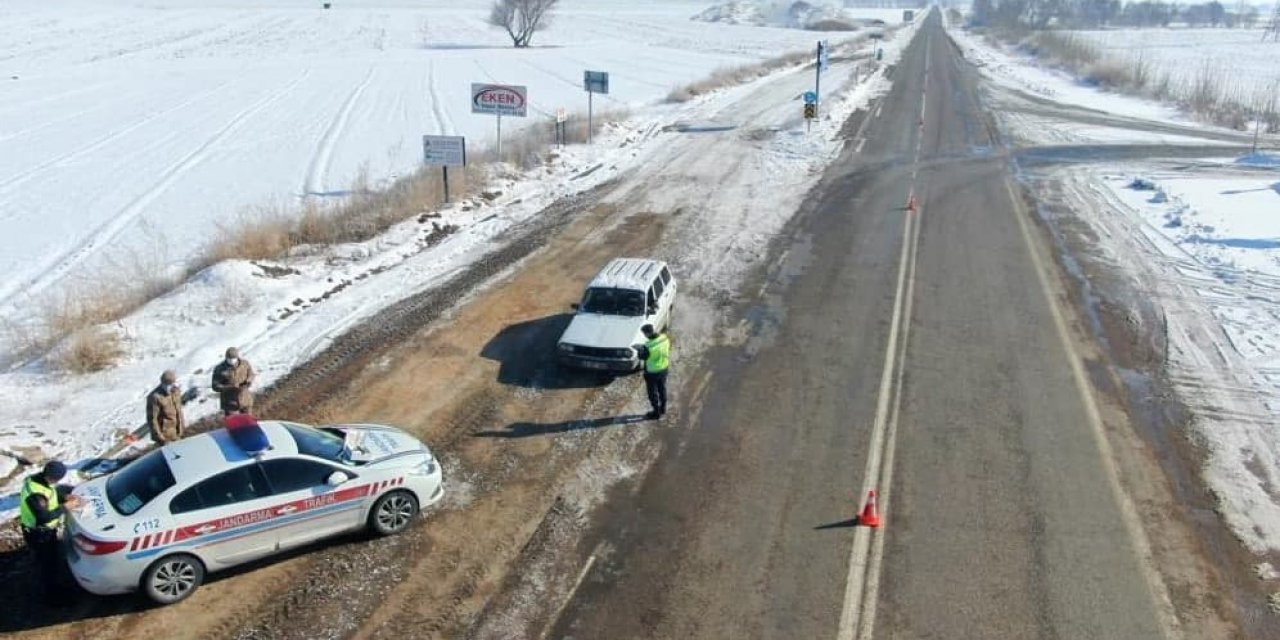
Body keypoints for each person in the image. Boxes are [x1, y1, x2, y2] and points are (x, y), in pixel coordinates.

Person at [19, 460, 80, 597]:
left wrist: (63, 497)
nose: (57, 482)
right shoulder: (36, 494)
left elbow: (50, 494)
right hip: (39, 534)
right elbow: (44, 517)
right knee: (48, 565)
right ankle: (52, 595)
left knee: (49, 560)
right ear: (52, 477)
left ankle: (52, 584)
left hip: (41, 532)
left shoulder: (38, 480)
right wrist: (66, 507)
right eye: (57, 479)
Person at [638, 324, 671, 420]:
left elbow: (642, 357)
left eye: (644, 334)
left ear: (647, 333)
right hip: (664, 368)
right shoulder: (664, 338)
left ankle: (656, 412)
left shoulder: (648, 346)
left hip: (652, 372)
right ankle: (663, 408)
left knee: (652, 393)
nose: (644, 335)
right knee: (662, 388)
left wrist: (639, 349)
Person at [212, 347, 255, 416]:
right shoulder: (219, 369)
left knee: (248, 424)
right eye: (229, 358)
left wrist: (248, 381)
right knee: (235, 424)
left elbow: (251, 374)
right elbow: (215, 386)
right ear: (226, 358)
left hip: (245, 400)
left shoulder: (245, 364)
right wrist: (229, 387)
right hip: (230, 403)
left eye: (234, 358)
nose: (232, 360)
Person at [146, 369, 185, 445]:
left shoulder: (176, 392)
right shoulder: (155, 397)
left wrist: (182, 428)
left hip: (177, 433)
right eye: (167, 384)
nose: (170, 387)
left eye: (172, 384)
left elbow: (179, 411)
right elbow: (152, 420)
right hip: (165, 437)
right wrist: (160, 437)